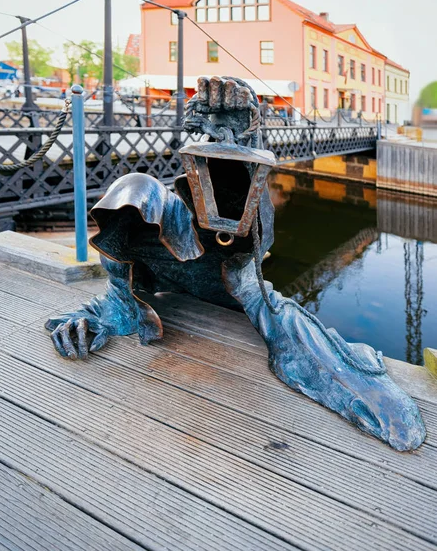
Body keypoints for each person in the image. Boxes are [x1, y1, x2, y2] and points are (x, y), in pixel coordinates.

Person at [45, 75, 426, 451]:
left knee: (297, 331)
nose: (131, 224)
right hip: (182, 280)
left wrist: (246, 142)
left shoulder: (222, 228)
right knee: (134, 188)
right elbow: (118, 296)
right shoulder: (138, 222)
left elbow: (255, 239)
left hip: (232, 286)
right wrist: (101, 316)